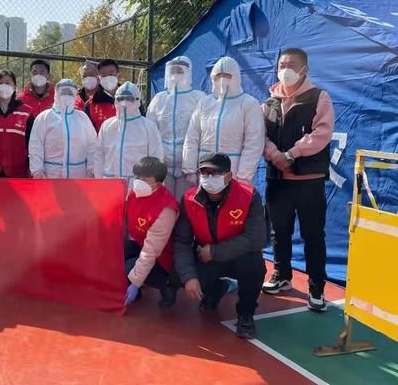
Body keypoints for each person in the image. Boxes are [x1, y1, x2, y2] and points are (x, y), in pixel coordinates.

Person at [261, 48, 334, 312]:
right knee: (279, 231)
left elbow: (322, 133)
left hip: (308, 180)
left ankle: (316, 287)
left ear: (304, 69)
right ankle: (282, 275)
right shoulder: (268, 103)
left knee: (313, 234)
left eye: (291, 64)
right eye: (281, 65)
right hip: (277, 178)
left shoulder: (319, 97)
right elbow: (261, 136)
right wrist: (275, 156)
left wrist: (292, 154)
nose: (285, 69)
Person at [173, 153, 267, 339]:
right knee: (176, 275)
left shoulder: (249, 196)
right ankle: (216, 289)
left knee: (255, 266)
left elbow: (256, 238)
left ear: (229, 176)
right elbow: (181, 241)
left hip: (237, 256)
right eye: (204, 173)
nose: (209, 178)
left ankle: (246, 313)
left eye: (215, 173)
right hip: (205, 256)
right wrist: (189, 276)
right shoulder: (189, 199)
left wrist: (215, 252)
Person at [182, 56, 265, 185]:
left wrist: (244, 176)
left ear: (236, 77)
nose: (222, 80)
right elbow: (192, 137)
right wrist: (190, 169)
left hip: (233, 172)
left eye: (226, 75)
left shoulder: (248, 103)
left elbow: (254, 143)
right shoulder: (205, 103)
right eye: (218, 76)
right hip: (205, 171)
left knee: (232, 199)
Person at [124, 157, 181, 308]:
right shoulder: (134, 195)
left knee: (128, 267)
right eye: (137, 177)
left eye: (145, 179)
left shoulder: (166, 209)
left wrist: (135, 282)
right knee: (118, 252)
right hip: (141, 244)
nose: (139, 182)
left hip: (163, 258)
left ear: (159, 182)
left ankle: (167, 284)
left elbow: (151, 250)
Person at [147, 56, 205, 200]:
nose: (176, 74)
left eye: (180, 71)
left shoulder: (198, 98)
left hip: (189, 168)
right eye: (172, 71)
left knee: (185, 204)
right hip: (163, 166)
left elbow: (203, 132)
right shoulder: (159, 99)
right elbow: (150, 132)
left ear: (188, 72)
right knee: (163, 204)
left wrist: (194, 166)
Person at [93, 82, 162, 187]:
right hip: (110, 183)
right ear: (115, 101)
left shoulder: (148, 127)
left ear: (138, 101)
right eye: (120, 99)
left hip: (138, 185)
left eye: (130, 99)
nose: (124, 103)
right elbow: (99, 155)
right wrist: (99, 180)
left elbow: (156, 157)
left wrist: (152, 184)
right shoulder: (107, 126)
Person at [29, 79, 97, 179]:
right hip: (51, 176)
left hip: (78, 176)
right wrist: (37, 171)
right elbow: (35, 146)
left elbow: (92, 145)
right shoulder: (44, 118)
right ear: (56, 94)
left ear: (75, 95)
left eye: (70, 93)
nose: (66, 95)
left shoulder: (82, 118)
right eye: (63, 92)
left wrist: (91, 170)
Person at [85, 59, 120, 132]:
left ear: (118, 75)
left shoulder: (132, 99)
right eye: (103, 75)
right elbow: (88, 132)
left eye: (111, 74)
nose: (108, 78)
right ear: (99, 78)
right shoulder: (91, 104)